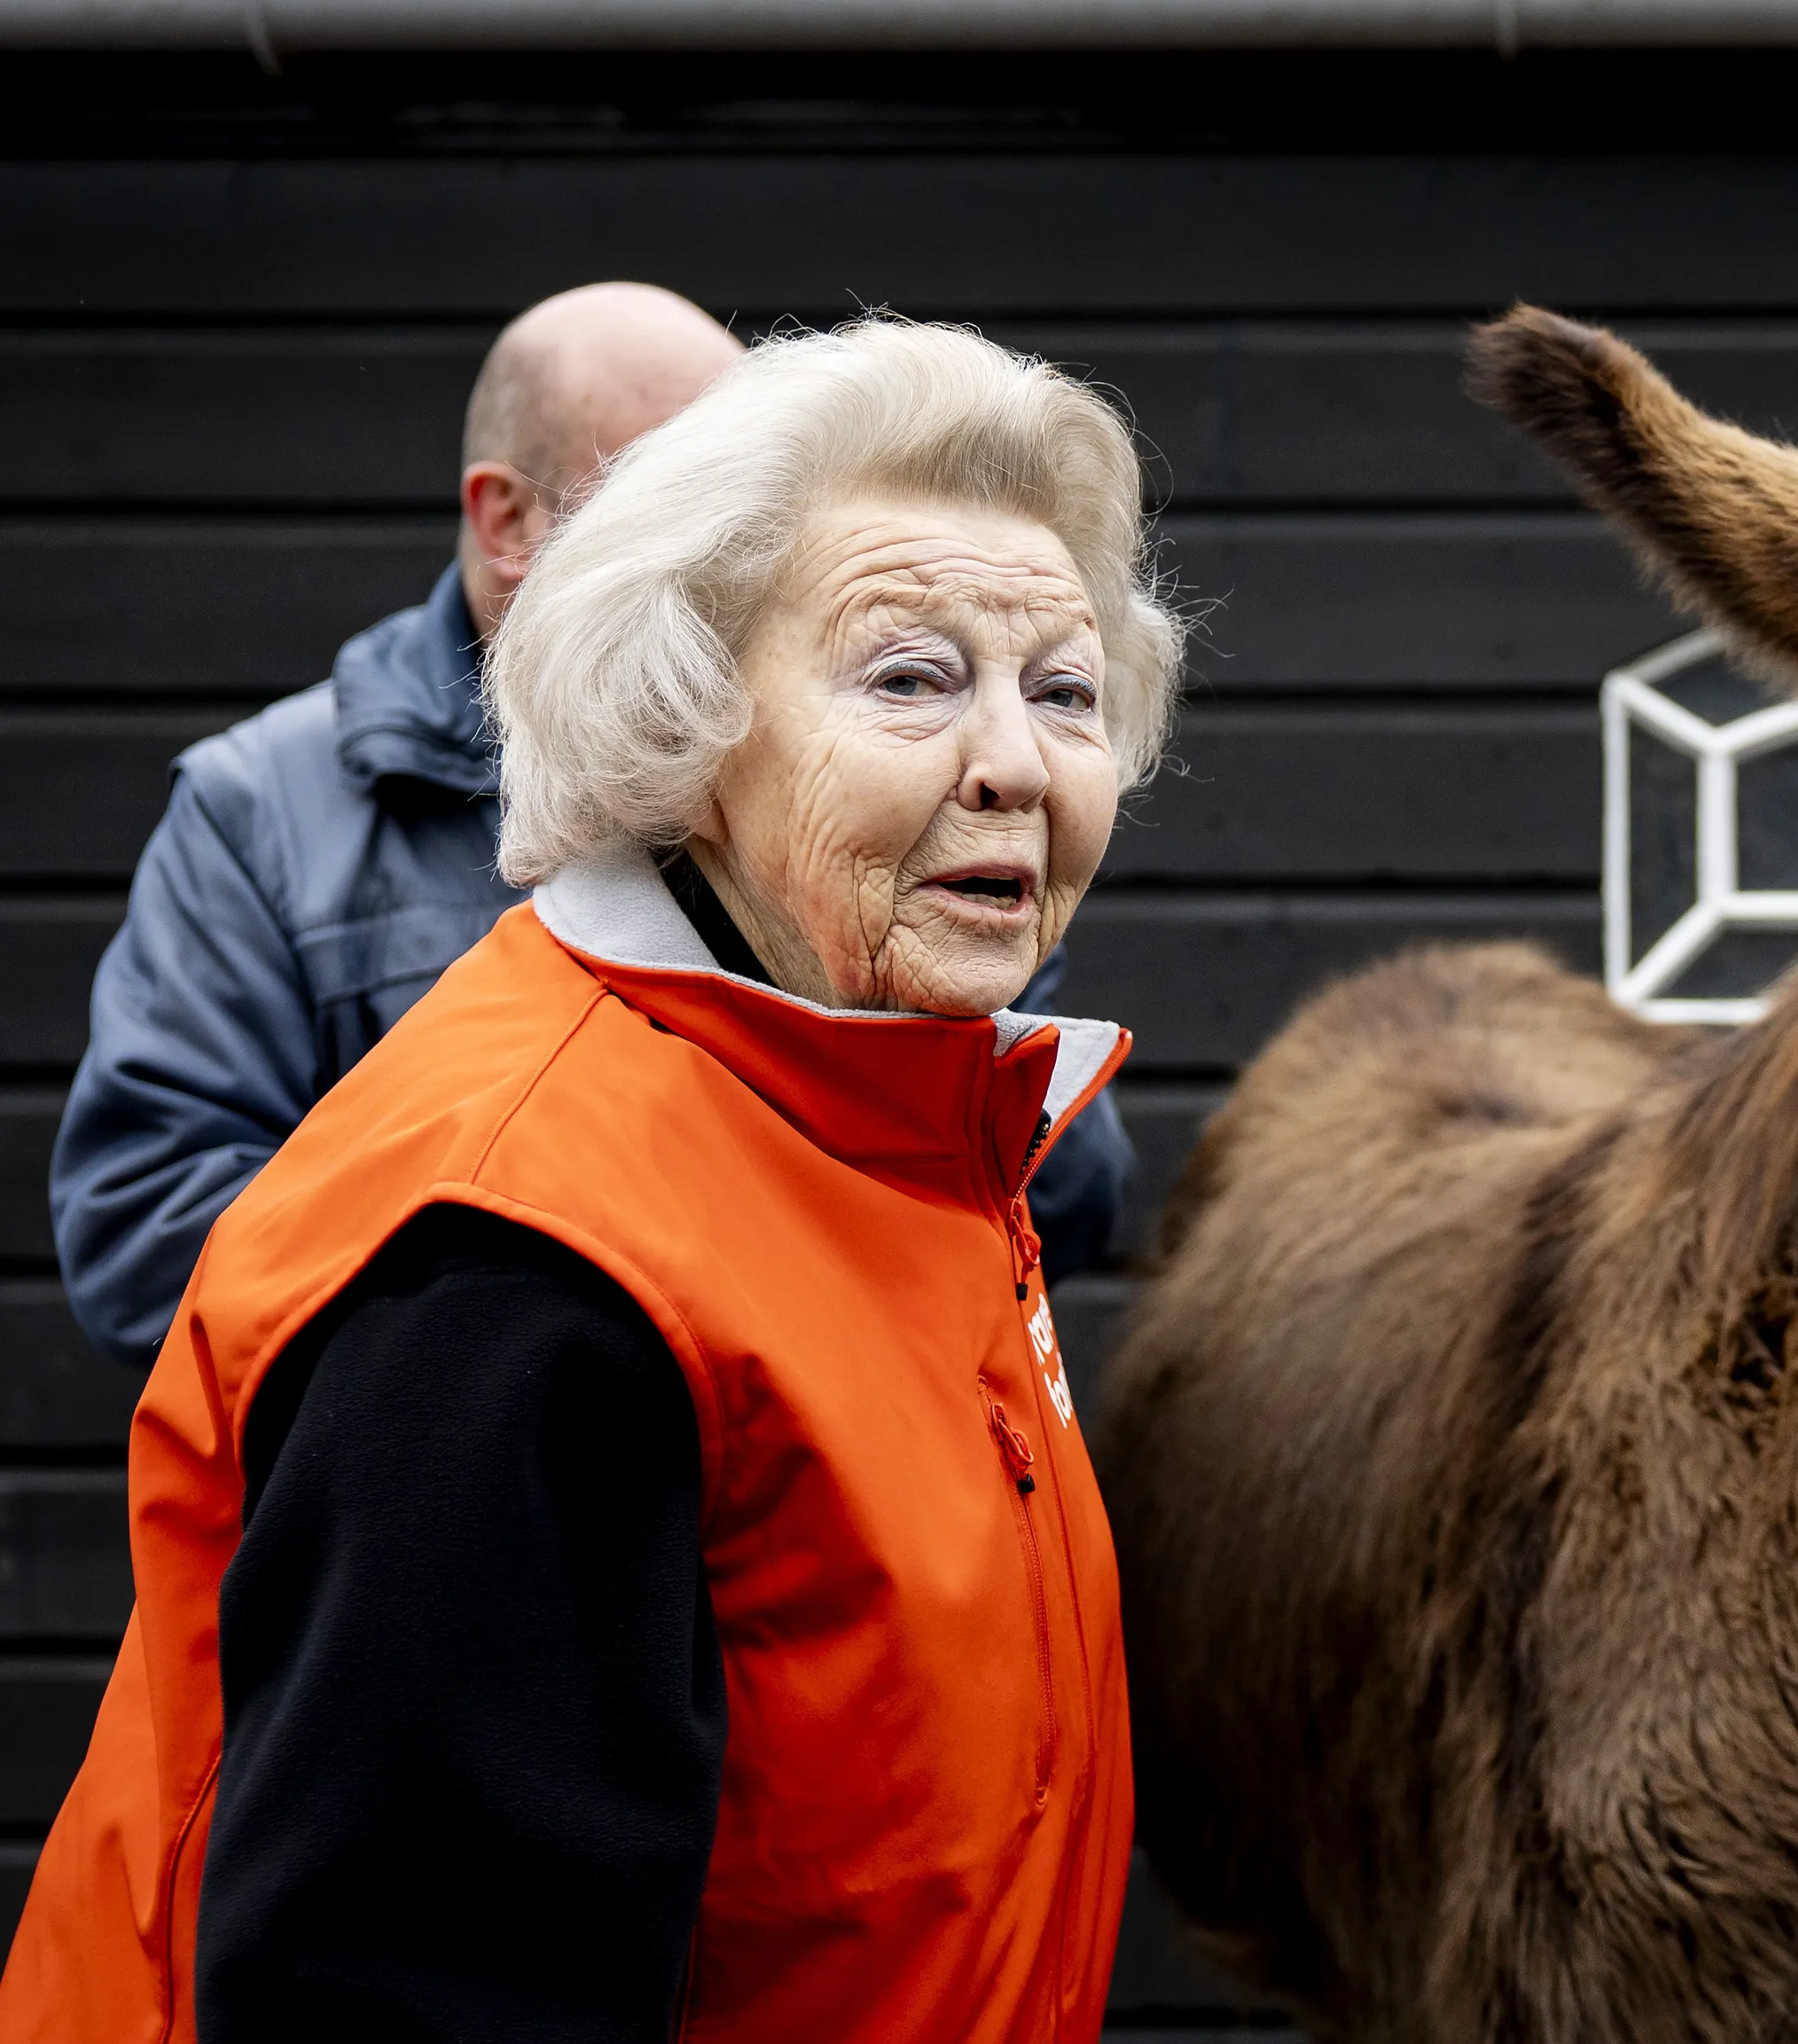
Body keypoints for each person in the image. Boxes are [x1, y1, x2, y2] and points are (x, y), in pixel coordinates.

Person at [0, 318, 1181, 2044]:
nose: (1020, 761)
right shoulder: (520, 1264)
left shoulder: (892, 1113)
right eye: (913, 679)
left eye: (1069, 689)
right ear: (681, 723)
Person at [48, 280, 1139, 1366]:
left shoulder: (873, 787)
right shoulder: (263, 808)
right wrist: (581, 1314)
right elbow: (144, 1223)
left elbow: (1069, 1185)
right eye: (669, 488)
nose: (747, 540)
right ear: (505, 517)